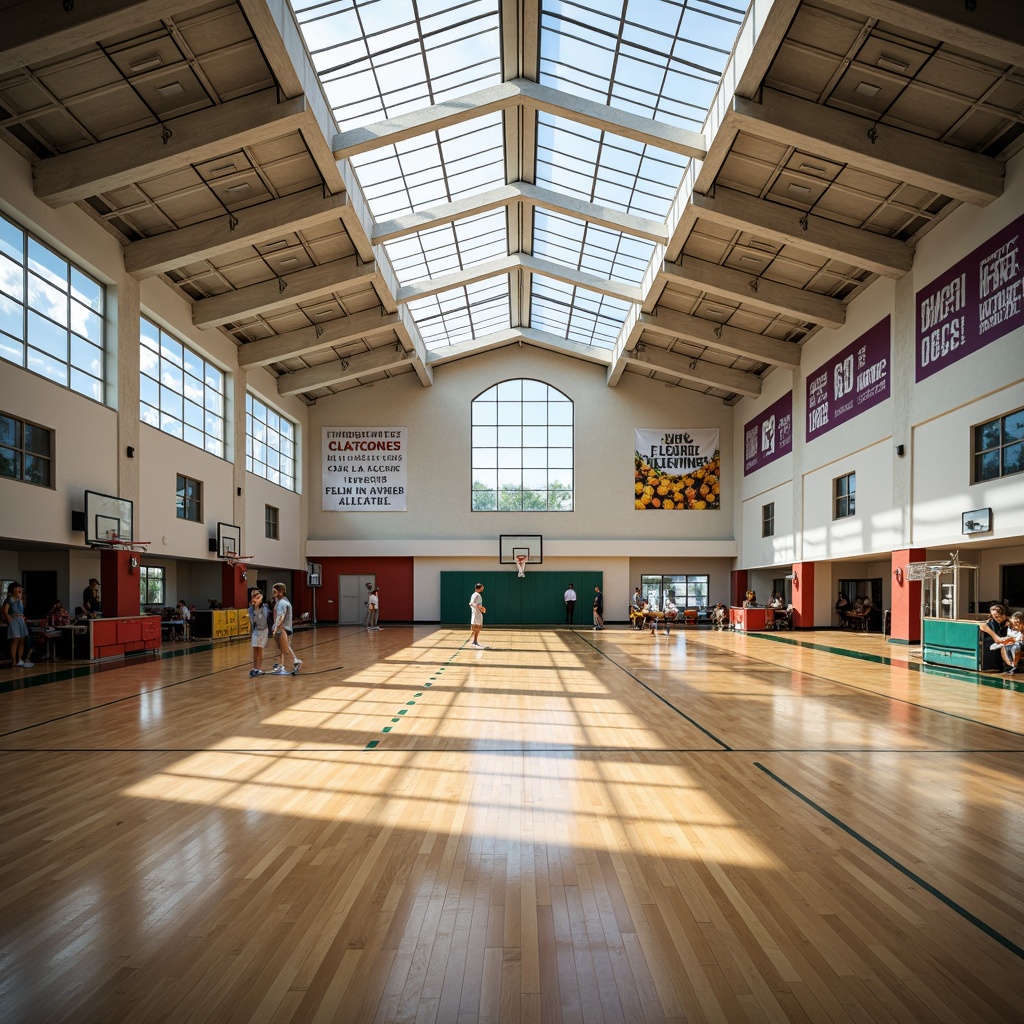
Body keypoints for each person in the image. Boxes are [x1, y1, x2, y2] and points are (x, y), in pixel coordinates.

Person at [270, 582, 301, 675]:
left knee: (285, 648)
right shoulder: (280, 602)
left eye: (275, 591)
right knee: (279, 649)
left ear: (281, 592)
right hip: (280, 628)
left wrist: (275, 629)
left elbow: (280, 617)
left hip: (283, 628)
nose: (273, 593)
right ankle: (281, 666)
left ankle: (296, 661)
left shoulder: (282, 603)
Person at [3, 583, 32, 668]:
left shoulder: (20, 599)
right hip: (14, 620)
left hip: (21, 620)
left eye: (20, 588)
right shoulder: (9, 599)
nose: (19, 589)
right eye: (17, 588)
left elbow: (21, 610)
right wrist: (8, 618)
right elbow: (5, 610)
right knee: (15, 640)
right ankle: (14, 661)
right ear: (12, 589)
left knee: (22, 640)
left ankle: (20, 659)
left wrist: (20, 597)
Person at [247, 589, 271, 677]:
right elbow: (252, 621)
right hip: (256, 630)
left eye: (256, 595)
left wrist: (259, 596)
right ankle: (255, 667)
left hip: (263, 630)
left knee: (259, 649)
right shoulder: (251, 609)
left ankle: (258, 668)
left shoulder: (265, 608)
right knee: (255, 649)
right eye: (253, 596)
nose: (254, 597)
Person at [979, 604, 1010, 670]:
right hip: (997, 644)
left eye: (998, 615)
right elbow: (982, 625)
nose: (997, 618)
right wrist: (995, 637)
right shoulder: (991, 623)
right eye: (994, 616)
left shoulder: (1009, 623)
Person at [468, 583, 486, 649]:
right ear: (480, 588)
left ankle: (474, 641)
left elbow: (471, 603)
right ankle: (474, 641)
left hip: (475, 612)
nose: (483, 588)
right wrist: (481, 608)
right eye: (482, 587)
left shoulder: (474, 594)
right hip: (477, 613)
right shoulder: (477, 595)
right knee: (477, 627)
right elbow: (474, 604)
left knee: (476, 627)